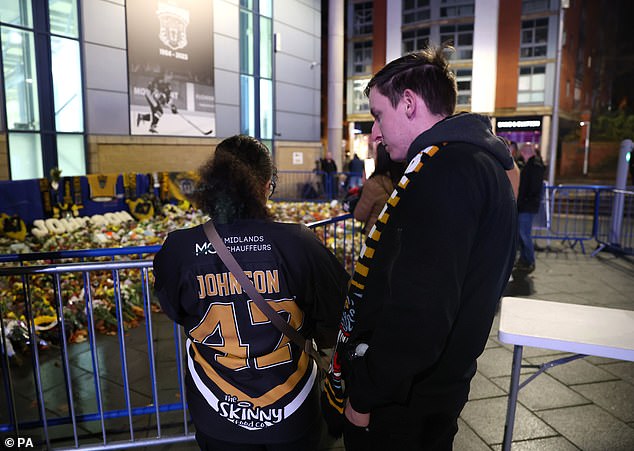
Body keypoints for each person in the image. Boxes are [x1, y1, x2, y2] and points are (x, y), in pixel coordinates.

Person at [332, 46, 518, 450]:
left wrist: (366, 392)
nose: (376, 134)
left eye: (379, 115)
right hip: (430, 390)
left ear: (410, 103)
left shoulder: (446, 171)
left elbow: (421, 311)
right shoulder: (474, 163)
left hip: (402, 402)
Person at [153, 135, 349, 450]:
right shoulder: (299, 244)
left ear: (211, 182)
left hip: (215, 409)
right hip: (293, 408)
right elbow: (338, 315)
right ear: (268, 183)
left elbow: (175, 310)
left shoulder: (179, 249)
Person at [353, 144, 405, 235]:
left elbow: (360, 215)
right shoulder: (404, 180)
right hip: (398, 235)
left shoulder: (374, 184)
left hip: (376, 237)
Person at [515, 144, 545, 273]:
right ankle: (525, 259)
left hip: (527, 206)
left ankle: (530, 260)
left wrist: (524, 201)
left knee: (524, 234)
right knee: (523, 234)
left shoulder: (534, 166)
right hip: (526, 205)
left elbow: (532, 187)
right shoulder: (532, 165)